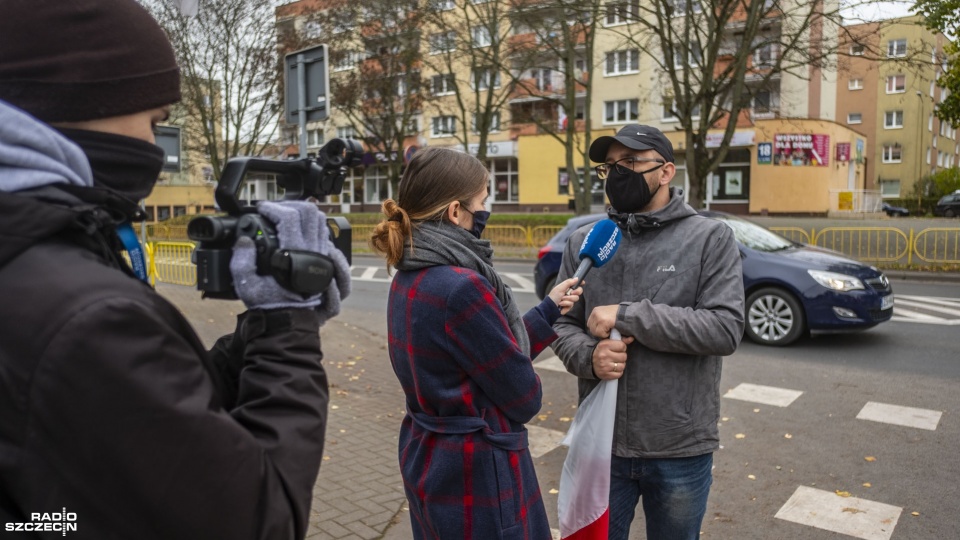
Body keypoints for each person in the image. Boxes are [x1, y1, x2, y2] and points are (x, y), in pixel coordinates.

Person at [0, 1, 349, 538]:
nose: (154, 150)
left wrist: (263, 331)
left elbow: (158, 416)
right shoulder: (85, 315)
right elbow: (261, 520)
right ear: (78, 100)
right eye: (156, 122)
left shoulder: (27, 253)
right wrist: (288, 327)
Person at [370, 147, 582, 540]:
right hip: (478, 475)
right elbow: (524, 397)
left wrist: (549, 309)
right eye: (483, 201)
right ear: (455, 212)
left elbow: (481, 354)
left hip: (429, 459)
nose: (487, 210)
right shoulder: (461, 286)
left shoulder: (410, 274)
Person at [551, 124, 745, 540]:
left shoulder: (709, 238)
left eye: (633, 162)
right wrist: (589, 356)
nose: (619, 173)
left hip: (679, 446)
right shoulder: (585, 242)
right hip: (602, 443)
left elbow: (724, 328)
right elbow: (562, 324)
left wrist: (627, 315)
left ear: (666, 171)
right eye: (611, 166)